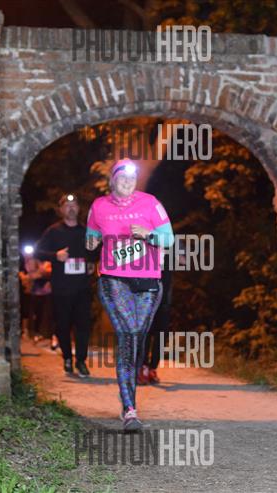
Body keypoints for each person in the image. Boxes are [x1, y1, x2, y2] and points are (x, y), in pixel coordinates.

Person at [86, 159, 174, 431]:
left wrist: (148, 235)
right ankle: (129, 409)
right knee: (128, 335)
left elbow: (169, 239)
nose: (127, 181)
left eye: (132, 178)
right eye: (122, 177)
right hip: (113, 279)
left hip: (148, 280)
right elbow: (90, 239)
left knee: (137, 337)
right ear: (112, 180)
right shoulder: (99, 206)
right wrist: (92, 242)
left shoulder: (150, 203)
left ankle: (127, 392)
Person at [35, 194, 94, 378]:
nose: (71, 208)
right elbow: (37, 252)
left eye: (74, 205)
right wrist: (55, 256)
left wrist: (91, 262)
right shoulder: (53, 231)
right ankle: (67, 357)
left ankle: (81, 361)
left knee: (83, 325)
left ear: (79, 208)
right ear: (60, 210)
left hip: (82, 287)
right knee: (63, 325)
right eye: (67, 205)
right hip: (61, 288)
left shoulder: (86, 231)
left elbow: (95, 251)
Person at [18, 247, 54, 344]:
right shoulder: (25, 263)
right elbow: (28, 276)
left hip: (45, 292)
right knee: (31, 313)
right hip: (32, 292)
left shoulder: (42, 262)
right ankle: (30, 332)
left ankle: (45, 335)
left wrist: (35, 274)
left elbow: (44, 272)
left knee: (45, 314)